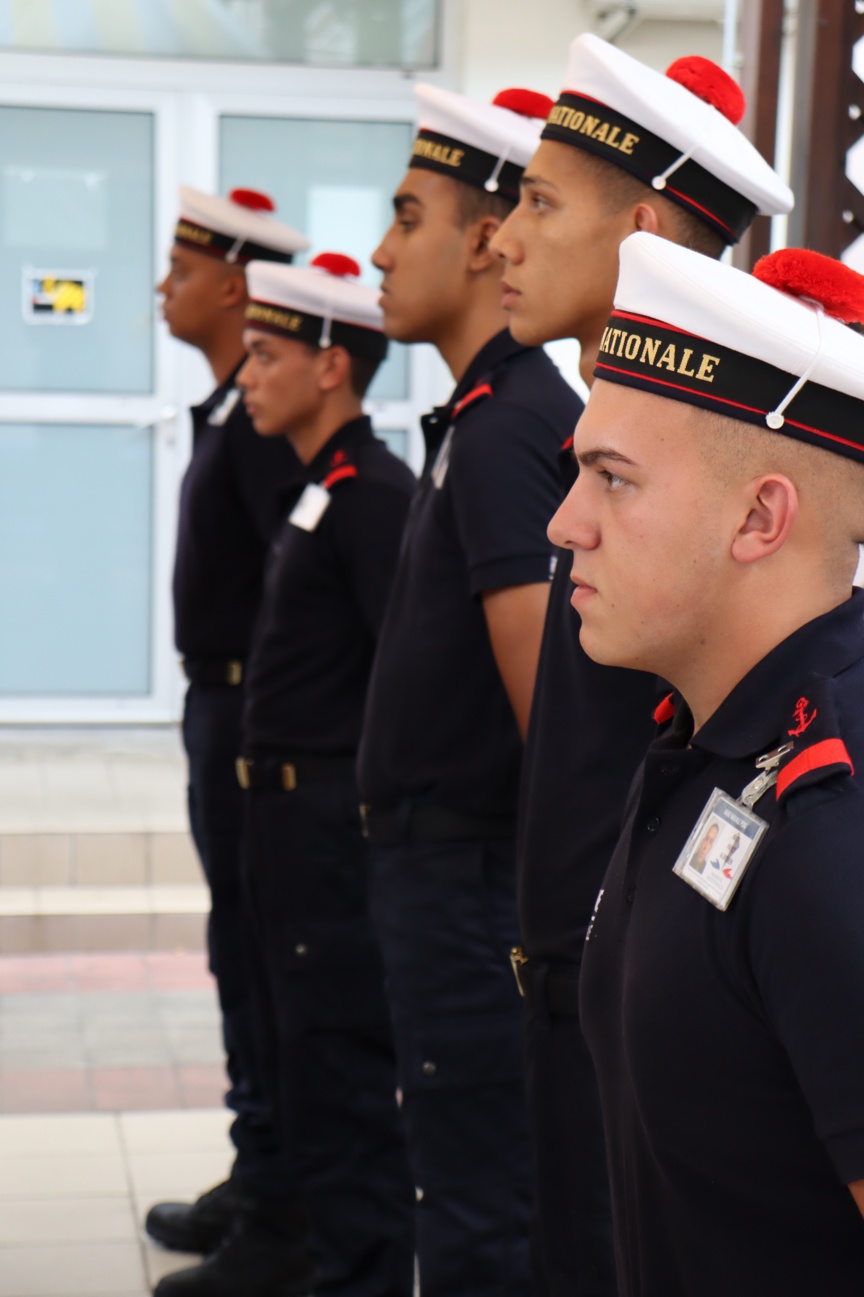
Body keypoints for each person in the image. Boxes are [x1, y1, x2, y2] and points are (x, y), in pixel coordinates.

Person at [488, 35, 793, 1296]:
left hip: (650, 977)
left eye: (541, 201)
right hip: (584, 964)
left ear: (650, 230)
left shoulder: (697, 480)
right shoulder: (593, 434)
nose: (504, 237)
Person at [553, 230, 864, 1295]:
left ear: (759, 516)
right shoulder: (713, 731)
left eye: (613, 480)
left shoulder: (830, 823)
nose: (565, 524)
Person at [357, 84, 583, 1297]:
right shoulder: (482, 415)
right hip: (438, 868)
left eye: (408, 219)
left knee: (482, 1205)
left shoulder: (506, 429)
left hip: (468, 876)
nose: (382, 253)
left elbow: (548, 709)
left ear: (485, 237)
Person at [155, 252, 416, 1297]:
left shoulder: (368, 494)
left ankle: (335, 1259)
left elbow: (396, 674)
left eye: (268, 356)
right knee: (293, 1032)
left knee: (338, 1057)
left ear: (333, 368)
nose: (246, 377)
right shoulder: (322, 485)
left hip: (324, 816)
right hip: (281, 808)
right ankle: (298, 1232)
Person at [147, 186, 308, 1256]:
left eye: (182, 267)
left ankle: (276, 1198)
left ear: (237, 286)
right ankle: (258, 1167)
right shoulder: (226, 410)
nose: (167, 285)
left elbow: (289, 597)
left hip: (253, 715)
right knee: (235, 945)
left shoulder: (256, 427)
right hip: (223, 704)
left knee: (258, 950)